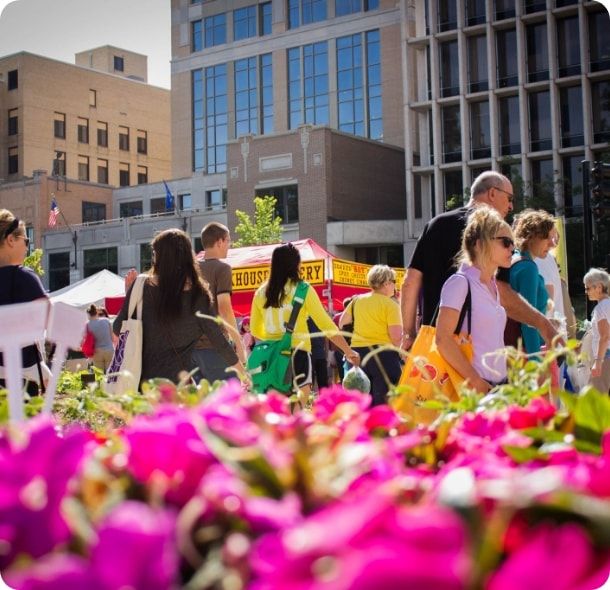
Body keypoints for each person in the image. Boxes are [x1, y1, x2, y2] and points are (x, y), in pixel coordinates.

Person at [401, 171, 558, 350]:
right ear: (492, 193)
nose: (511, 206)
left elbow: (410, 282)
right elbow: (502, 293)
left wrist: (409, 333)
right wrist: (542, 324)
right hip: (473, 350)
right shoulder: (497, 233)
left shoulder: (436, 224)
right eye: (509, 198)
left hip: (432, 349)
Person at [113, 228, 246, 385]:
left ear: (160, 257)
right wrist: (243, 373)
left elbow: (118, 328)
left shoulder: (141, 286)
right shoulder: (199, 294)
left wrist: (130, 295)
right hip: (176, 387)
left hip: (139, 383)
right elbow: (218, 339)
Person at [250, 243, 359, 404]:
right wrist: (348, 350)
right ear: (295, 264)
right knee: (299, 405)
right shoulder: (303, 289)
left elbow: (255, 330)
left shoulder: (261, 292)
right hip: (298, 353)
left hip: (271, 357)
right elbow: (326, 326)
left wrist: (277, 339)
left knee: (276, 407)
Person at [436, 207, 513, 393]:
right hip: (471, 388)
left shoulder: (492, 285)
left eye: (512, 243)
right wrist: (476, 381)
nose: (512, 247)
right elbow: (442, 339)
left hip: (498, 386)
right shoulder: (460, 283)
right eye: (505, 242)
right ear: (479, 244)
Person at [0, 209, 50, 394]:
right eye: (25, 240)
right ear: (11, 240)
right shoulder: (26, 277)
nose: (27, 246)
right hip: (24, 376)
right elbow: (46, 319)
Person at [340, 265, 403, 406]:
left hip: (357, 354)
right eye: (394, 281)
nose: (395, 286)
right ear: (386, 283)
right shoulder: (391, 305)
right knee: (383, 402)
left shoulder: (356, 301)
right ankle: (381, 428)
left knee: (359, 401)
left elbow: (342, 322)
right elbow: (396, 337)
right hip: (383, 356)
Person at [192, 222, 247, 383]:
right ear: (219, 241)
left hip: (192, 351)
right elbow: (224, 309)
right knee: (231, 398)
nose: (228, 245)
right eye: (228, 241)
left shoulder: (191, 269)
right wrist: (239, 345)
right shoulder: (222, 269)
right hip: (215, 346)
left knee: (206, 403)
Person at [509, 209, 555, 355]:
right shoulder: (528, 268)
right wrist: (536, 363)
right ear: (531, 236)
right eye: (547, 238)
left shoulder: (515, 260)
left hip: (517, 350)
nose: (551, 244)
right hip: (529, 353)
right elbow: (529, 321)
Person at [583, 268, 610, 393]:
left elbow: (605, 336)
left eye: (588, 288)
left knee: (594, 399)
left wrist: (598, 362)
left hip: (605, 358)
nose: (586, 291)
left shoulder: (600, 308)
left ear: (599, 287)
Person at [86, 304, 114, 371]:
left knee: (99, 375)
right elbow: (112, 337)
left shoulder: (87, 324)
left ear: (88, 314)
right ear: (96, 312)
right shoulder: (106, 320)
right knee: (110, 374)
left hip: (97, 352)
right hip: (109, 350)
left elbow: (87, 340)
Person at [307, 317, 329, 390]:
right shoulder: (321, 319)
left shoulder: (306, 319)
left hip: (311, 355)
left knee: (310, 382)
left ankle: (311, 399)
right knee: (323, 383)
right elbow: (326, 339)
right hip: (319, 354)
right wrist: (326, 355)